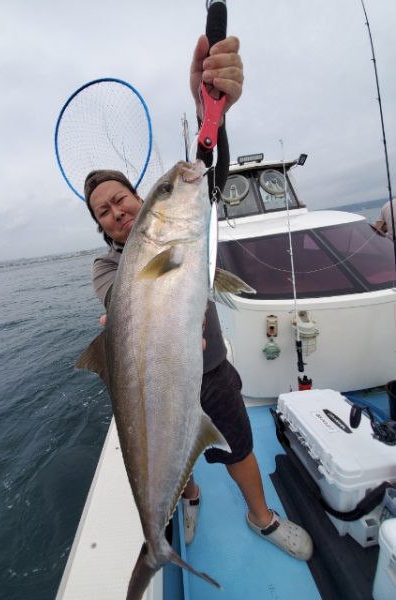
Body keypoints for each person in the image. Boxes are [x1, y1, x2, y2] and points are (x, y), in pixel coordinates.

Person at [83, 34, 313, 560]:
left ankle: (262, 517)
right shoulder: (106, 266)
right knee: (176, 456)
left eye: (121, 199)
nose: (116, 212)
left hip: (208, 371)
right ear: (101, 227)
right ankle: (186, 499)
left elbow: (210, 169)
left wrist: (210, 111)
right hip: (155, 387)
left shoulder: (185, 231)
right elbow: (128, 296)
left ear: (141, 201)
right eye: (103, 211)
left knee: (239, 445)